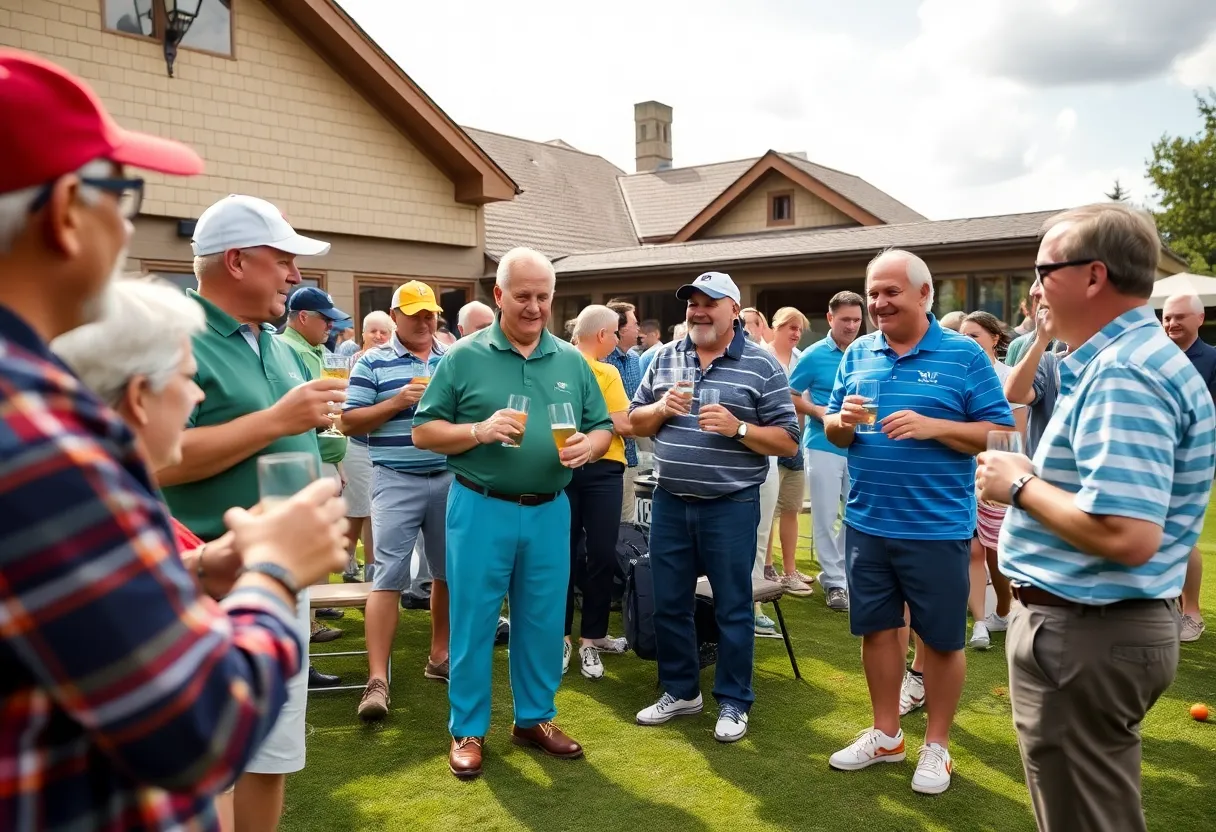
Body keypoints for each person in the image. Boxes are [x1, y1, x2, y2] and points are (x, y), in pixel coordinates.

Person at [0, 49, 347, 832]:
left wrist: (198, 563)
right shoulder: (34, 431)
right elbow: (196, 730)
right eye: (124, 195)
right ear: (62, 213)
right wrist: (269, 571)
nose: (129, 226)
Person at [978, 203, 1216, 832]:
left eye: (1042, 270)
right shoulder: (1125, 362)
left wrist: (1020, 483)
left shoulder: (1125, 373)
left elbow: (1128, 535)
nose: (1032, 289)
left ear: (1092, 277)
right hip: (1092, 629)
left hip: (1085, 633)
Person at [158, 193, 347, 831]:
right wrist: (276, 420)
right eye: (284, 261)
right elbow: (155, 461)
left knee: (272, 753)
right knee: (211, 764)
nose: (296, 278)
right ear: (236, 262)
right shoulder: (172, 335)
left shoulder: (277, 343)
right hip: (205, 583)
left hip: (281, 579)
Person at [412, 247, 613, 780]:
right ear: (498, 296)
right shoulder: (463, 357)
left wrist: (590, 447)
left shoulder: (571, 359)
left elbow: (602, 425)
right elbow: (423, 430)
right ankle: (468, 729)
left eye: (543, 297)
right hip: (481, 505)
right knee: (474, 620)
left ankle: (534, 719)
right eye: (522, 296)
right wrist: (477, 431)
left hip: (550, 510)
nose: (534, 307)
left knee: (544, 622)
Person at [824, 249, 1013, 795]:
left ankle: (937, 746)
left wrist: (933, 427)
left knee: (943, 640)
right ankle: (886, 735)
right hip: (867, 520)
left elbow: (1002, 435)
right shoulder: (858, 351)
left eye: (890, 293)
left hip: (936, 526)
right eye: (873, 293)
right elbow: (836, 430)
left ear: (925, 295)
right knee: (878, 631)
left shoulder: (963, 355)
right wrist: (843, 421)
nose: (879, 303)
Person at [630, 271, 799, 744]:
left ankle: (733, 700)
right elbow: (631, 421)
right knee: (669, 603)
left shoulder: (763, 366)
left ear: (733, 309)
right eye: (692, 304)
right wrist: (662, 408)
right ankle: (682, 691)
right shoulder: (664, 356)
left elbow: (788, 441)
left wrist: (738, 429)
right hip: (669, 500)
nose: (698, 311)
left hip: (730, 504)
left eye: (710, 303)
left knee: (732, 607)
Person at [341, 280, 453, 720]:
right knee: (387, 575)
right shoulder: (371, 362)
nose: (426, 321)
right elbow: (349, 422)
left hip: (448, 475)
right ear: (395, 315)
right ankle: (377, 679)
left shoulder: (452, 358)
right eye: (416, 313)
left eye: (431, 314)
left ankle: (439, 657)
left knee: (447, 572)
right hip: (394, 477)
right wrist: (396, 401)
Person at [277, 286, 352, 640]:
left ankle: (312, 614)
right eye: (325, 320)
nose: (331, 328)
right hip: (301, 463)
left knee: (318, 541)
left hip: (321, 457)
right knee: (305, 547)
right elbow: (307, 413)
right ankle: (306, 625)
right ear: (303, 317)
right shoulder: (286, 349)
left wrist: (337, 463)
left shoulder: (314, 349)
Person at [564, 305, 634, 679]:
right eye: (616, 335)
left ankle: (569, 639)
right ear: (604, 336)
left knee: (565, 553)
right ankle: (590, 640)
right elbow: (623, 422)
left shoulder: (558, 362)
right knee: (601, 554)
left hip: (563, 467)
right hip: (603, 468)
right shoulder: (606, 370)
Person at [789, 291, 864, 611]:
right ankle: (835, 582)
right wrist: (820, 412)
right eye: (845, 319)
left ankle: (840, 574)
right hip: (822, 444)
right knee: (824, 515)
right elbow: (789, 394)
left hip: (862, 446)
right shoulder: (813, 355)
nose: (851, 326)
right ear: (830, 318)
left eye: (857, 320)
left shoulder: (869, 351)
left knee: (857, 514)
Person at [959, 311, 1023, 650]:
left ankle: (1003, 608)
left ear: (995, 339)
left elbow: (1016, 436)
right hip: (961, 472)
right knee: (973, 550)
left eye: (974, 336)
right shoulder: (958, 374)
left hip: (998, 474)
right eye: (963, 335)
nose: (966, 342)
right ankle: (979, 624)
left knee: (997, 553)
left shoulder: (1009, 376)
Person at [1162, 291, 1216, 643]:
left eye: (1180, 317)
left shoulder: (1212, 360)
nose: (1171, 323)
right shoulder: (1156, 359)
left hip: (1192, 462)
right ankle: (1164, 607)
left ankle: (1191, 612)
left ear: (1200, 319)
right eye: (1166, 318)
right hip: (1152, 460)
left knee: (1183, 536)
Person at [762, 306, 814, 596]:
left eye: (799, 329)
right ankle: (769, 568)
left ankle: (790, 570)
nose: (795, 333)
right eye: (790, 327)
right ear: (776, 327)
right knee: (768, 511)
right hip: (769, 444)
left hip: (796, 445)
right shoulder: (762, 355)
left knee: (792, 508)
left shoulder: (802, 359)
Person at [341, 310, 394, 582]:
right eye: (372, 331)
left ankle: (371, 571)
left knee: (373, 511)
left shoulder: (397, 360)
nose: (378, 336)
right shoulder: (352, 361)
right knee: (358, 509)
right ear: (362, 335)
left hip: (385, 447)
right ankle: (349, 560)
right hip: (360, 444)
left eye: (383, 331)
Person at [606, 299, 643, 520]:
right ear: (619, 329)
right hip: (607, 455)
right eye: (634, 323)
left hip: (632, 453)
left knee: (628, 522)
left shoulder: (634, 359)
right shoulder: (602, 360)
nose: (639, 328)